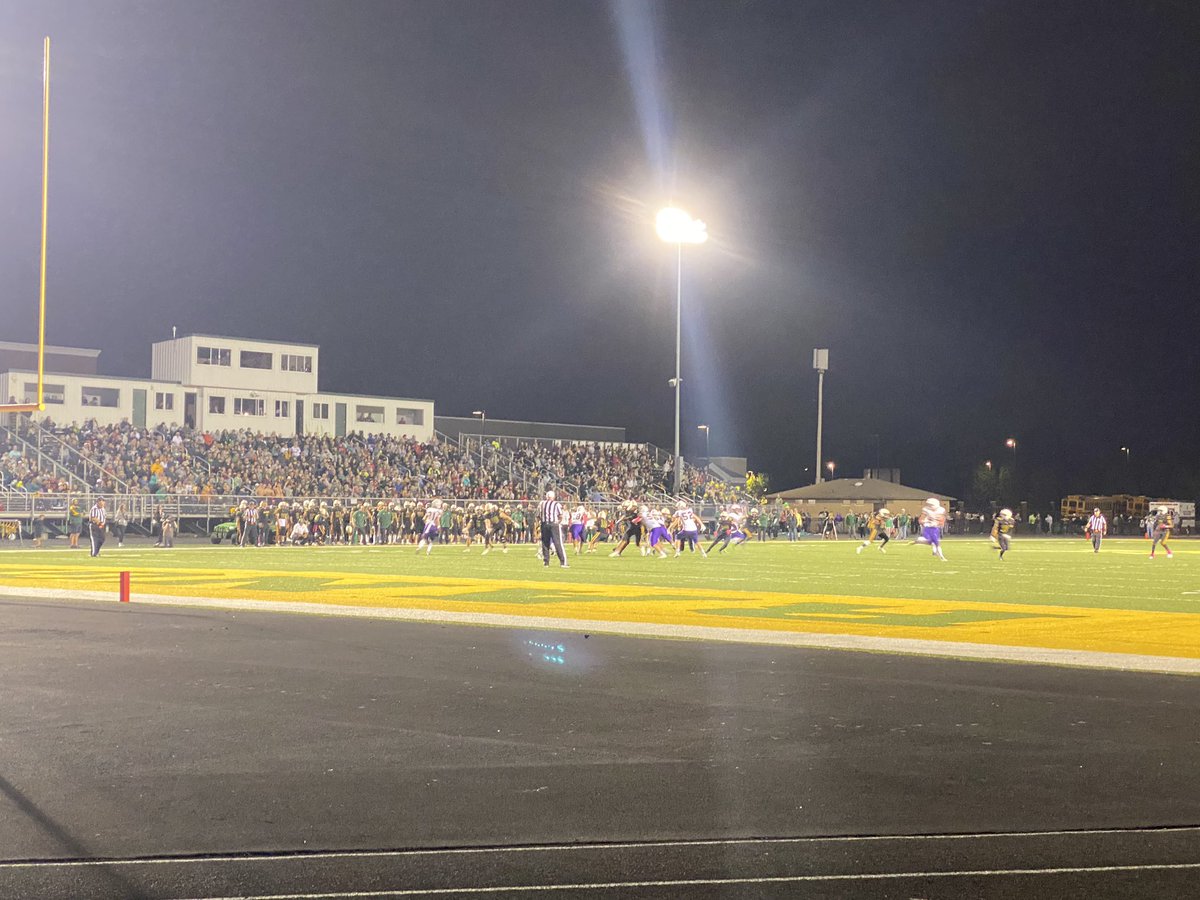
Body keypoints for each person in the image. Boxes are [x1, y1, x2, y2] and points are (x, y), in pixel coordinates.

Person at [539, 490, 567, 567]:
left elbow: (538, 515)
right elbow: (560, 516)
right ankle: (563, 562)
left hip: (544, 524)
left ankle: (546, 562)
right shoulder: (556, 504)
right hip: (554, 524)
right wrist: (558, 522)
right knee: (558, 543)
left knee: (545, 543)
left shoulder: (542, 504)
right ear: (553, 497)